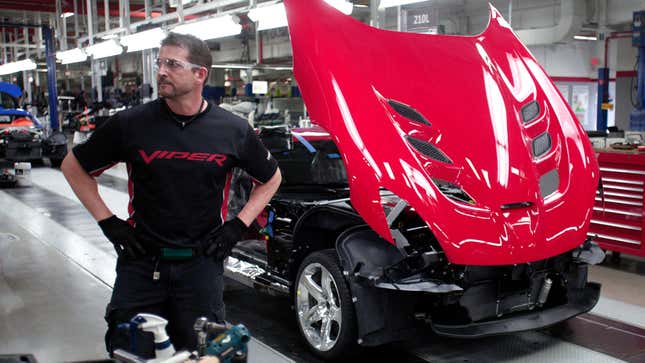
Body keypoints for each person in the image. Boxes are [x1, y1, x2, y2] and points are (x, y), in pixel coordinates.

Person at [60, 32, 281, 357]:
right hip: (141, 263)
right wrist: (108, 222)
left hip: (201, 267)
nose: (161, 71)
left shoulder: (232, 130)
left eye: (172, 64)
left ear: (200, 74)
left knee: (202, 353)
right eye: (160, 63)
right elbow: (73, 166)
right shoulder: (131, 124)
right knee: (131, 350)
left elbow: (272, 178)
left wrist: (238, 224)